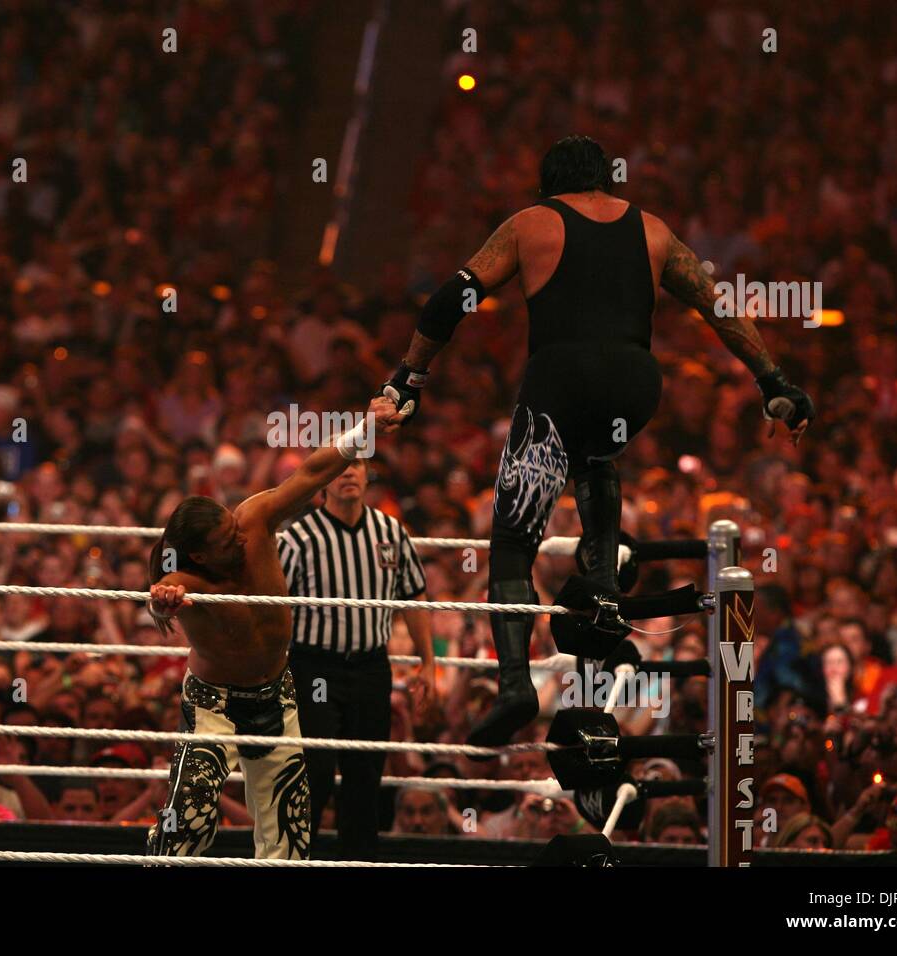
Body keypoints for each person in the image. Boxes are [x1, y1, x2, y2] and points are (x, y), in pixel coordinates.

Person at [380, 135, 815, 747]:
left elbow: (453, 300)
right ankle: (605, 601)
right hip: (636, 384)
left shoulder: (534, 222)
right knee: (597, 461)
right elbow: (719, 306)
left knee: (512, 538)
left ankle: (513, 684)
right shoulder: (654, 230)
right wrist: (774, 381)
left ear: (549, 183)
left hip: (561, 379)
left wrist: (410, 376)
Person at [146, 396, 399, 859]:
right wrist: (162, 602)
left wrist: (365, 428)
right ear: (201, 555)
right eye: (227, 540)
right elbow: (163, 597)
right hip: (213, 704)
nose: (240, 537)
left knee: (289, 834)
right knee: (189, 823)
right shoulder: (190, 580)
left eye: (233, 525)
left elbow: (310, 472)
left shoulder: (254, 520)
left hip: (276, 696)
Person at [279, 455, 436, 860]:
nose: (349, 472)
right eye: (340, 467)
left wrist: (428, 662)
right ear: (322, 482)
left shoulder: (390, 531)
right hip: (315, 667)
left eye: (358, 465)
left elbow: (414, 597)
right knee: (314, 770)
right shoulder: (298, 537)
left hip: (371, 666)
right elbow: (272, 606)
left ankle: (359, 859)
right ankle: (297, 857)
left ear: (368, 476)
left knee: (365, 773)